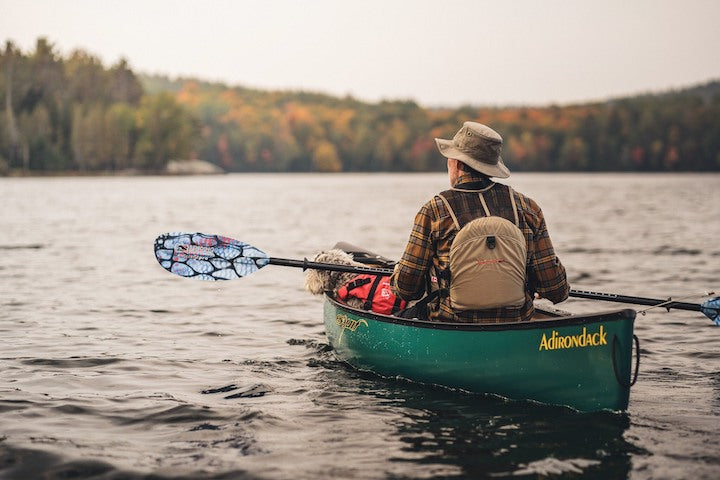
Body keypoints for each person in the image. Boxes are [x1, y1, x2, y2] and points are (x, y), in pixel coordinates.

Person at [390, 121, 569, 323]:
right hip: (518, 327)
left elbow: (406, 289)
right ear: (491, 167)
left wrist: (398, 275)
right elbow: (556, 291)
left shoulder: (435, 210)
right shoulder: (528, 208)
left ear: (456, 164)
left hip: (452, 327)